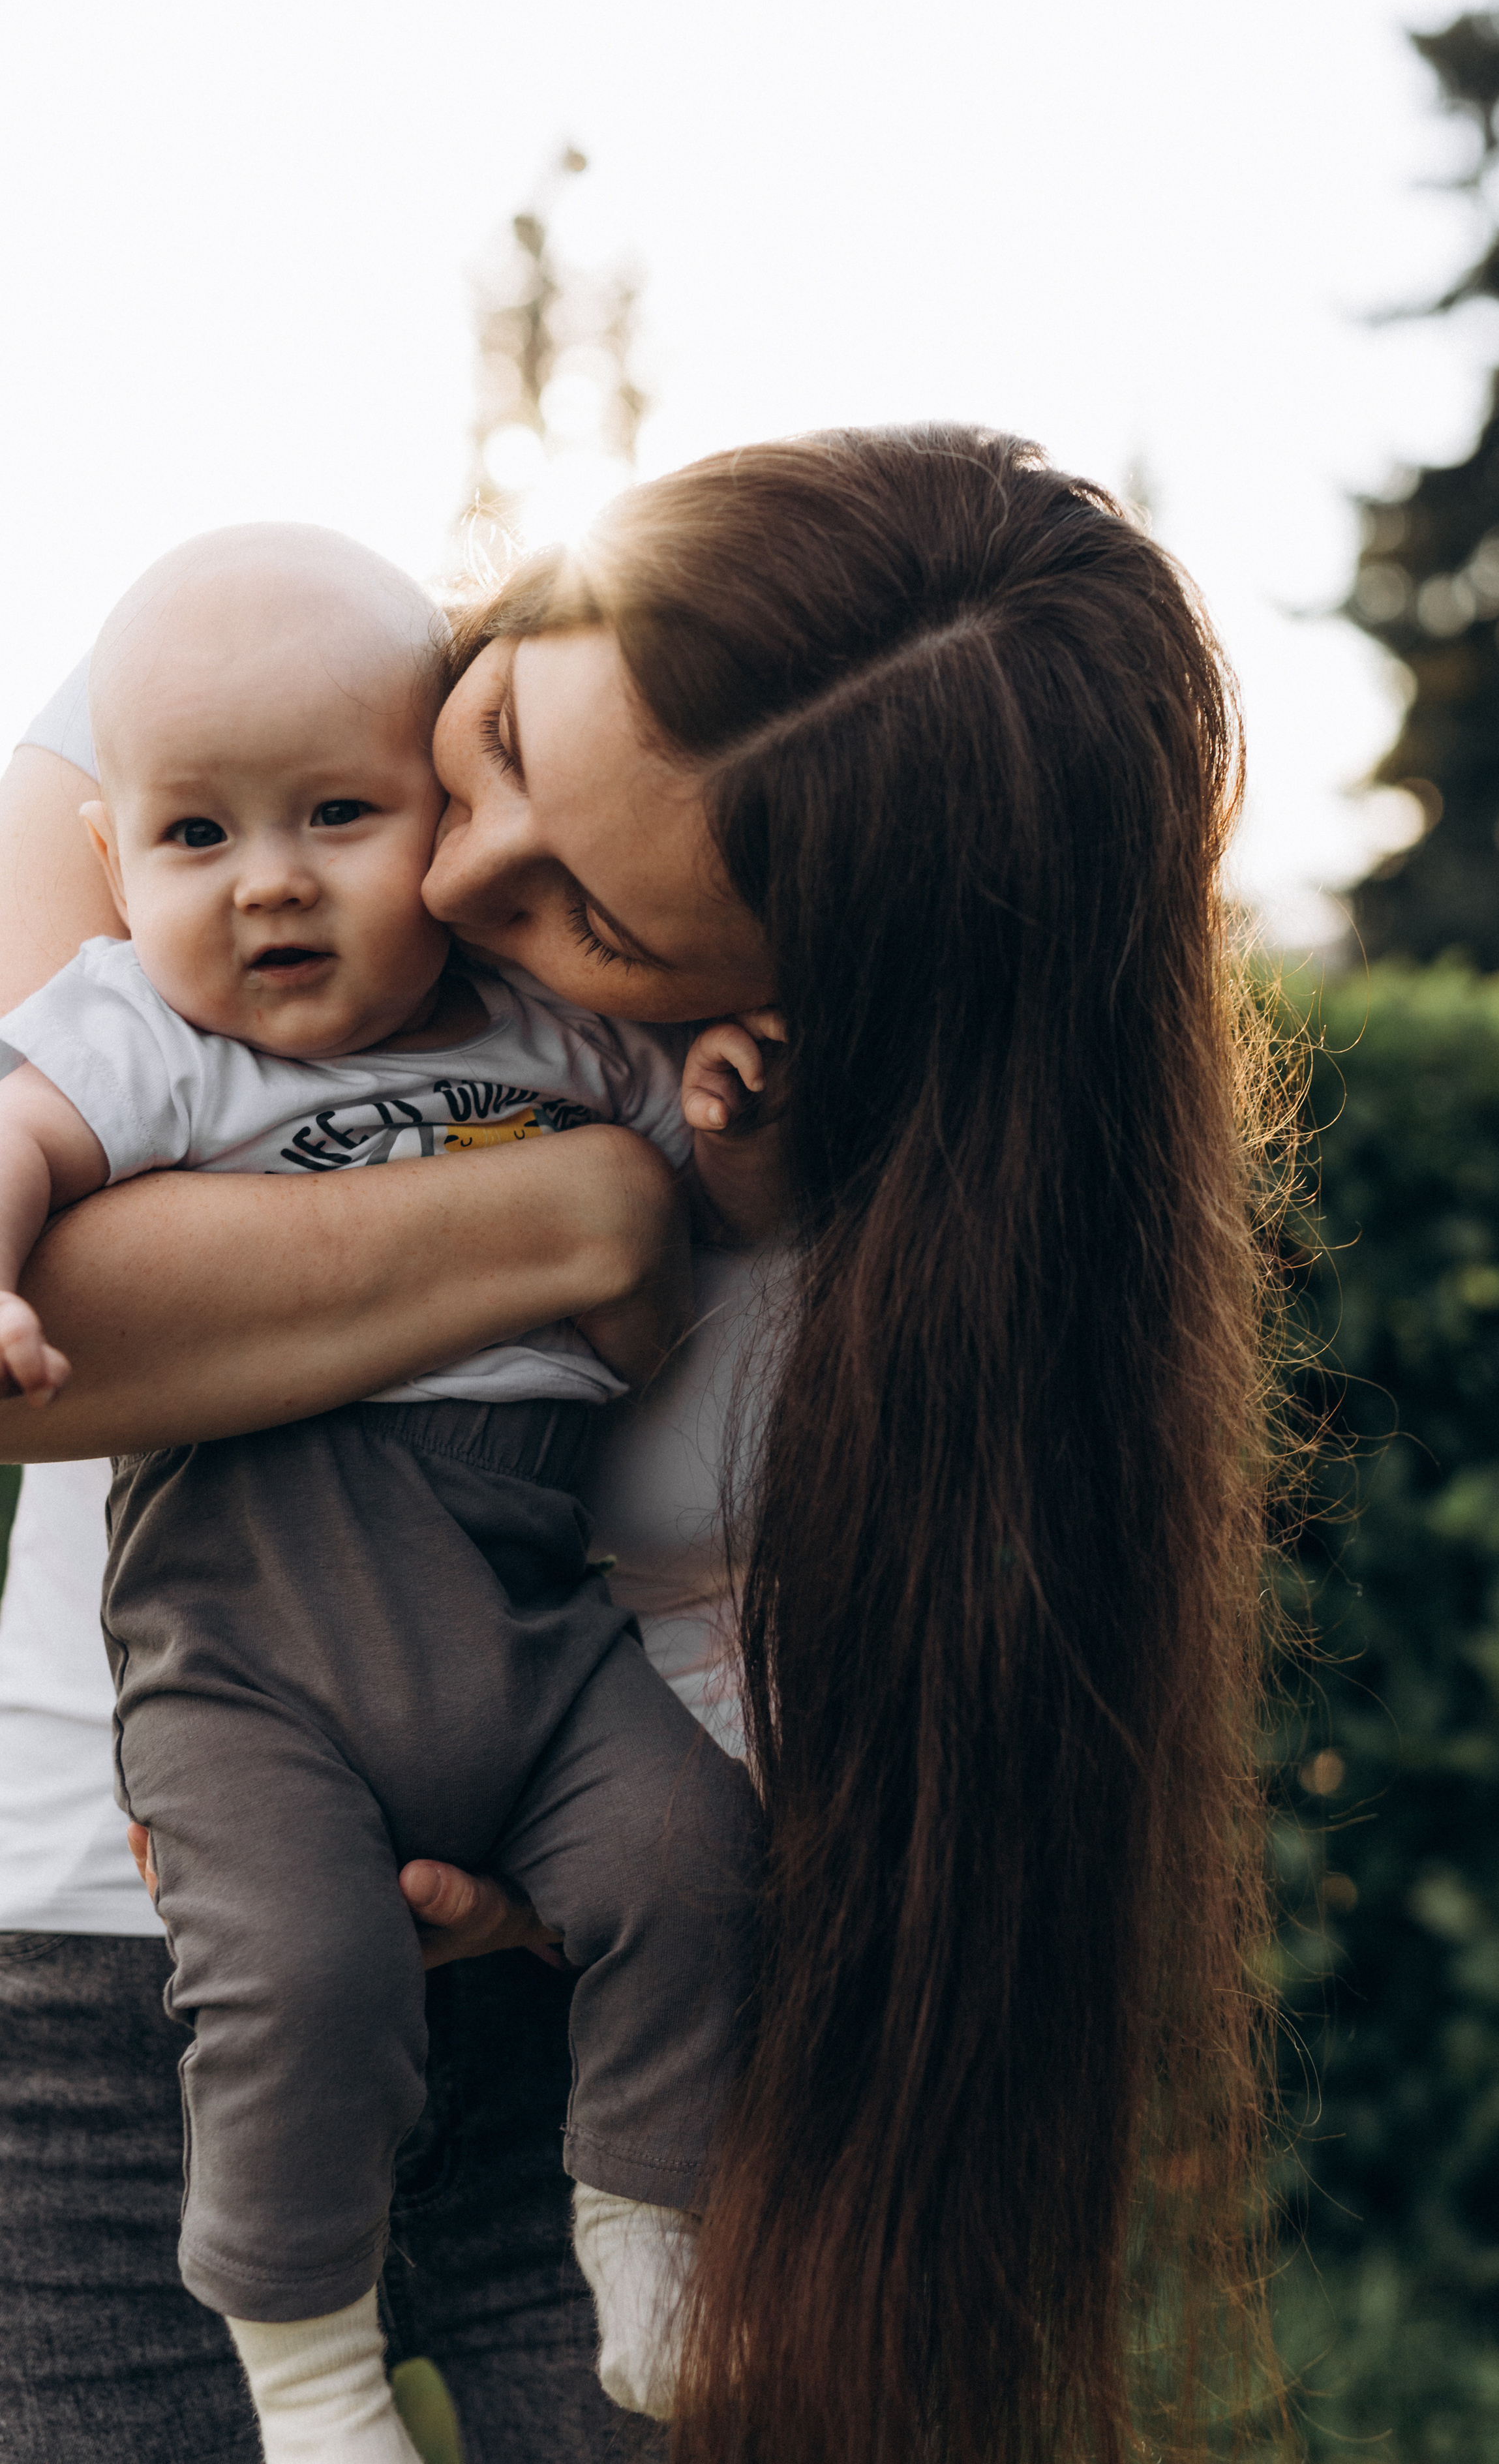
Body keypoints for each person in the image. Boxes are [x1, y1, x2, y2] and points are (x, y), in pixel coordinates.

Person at [0, 423, 1280, 2464]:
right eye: (490, 734)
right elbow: (60, 1318)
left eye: (588, 912)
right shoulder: (254, 691)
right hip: (112, 1955)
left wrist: (627, 1836)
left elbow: (862, 1644)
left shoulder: (904, 1177)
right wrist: (577, 1214)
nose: (431, 867)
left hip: (601, 1998)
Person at [0, 523, 778, 2459]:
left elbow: (712, 1285)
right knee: (304, 1962)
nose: (269, 878)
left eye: (345, 815)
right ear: (124, 857)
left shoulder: (560, 1028)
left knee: (693, 1853)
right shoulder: (145, 1023)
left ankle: (648, 2209)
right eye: (198, 839)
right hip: (199, 1747)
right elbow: (28, 1150)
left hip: (526, 1651)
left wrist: (725, 1154)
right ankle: (315, 2379)